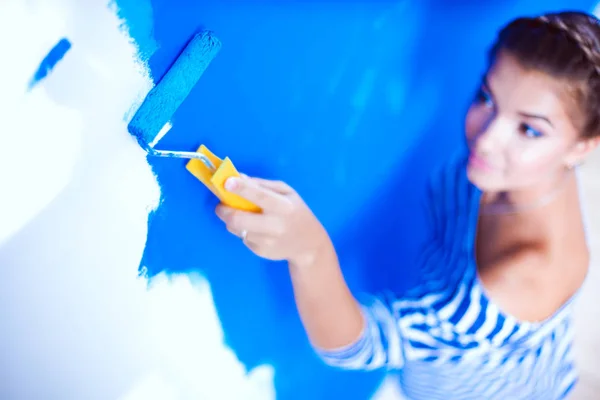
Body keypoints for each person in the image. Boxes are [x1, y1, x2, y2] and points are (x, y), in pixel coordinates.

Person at [215, 11, 600, 399]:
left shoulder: (514, 280)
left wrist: (310, 251)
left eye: (529, 129)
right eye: (486, 97)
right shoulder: (541, 170)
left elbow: (360, 347)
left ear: (584, 145)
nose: (486, 139)